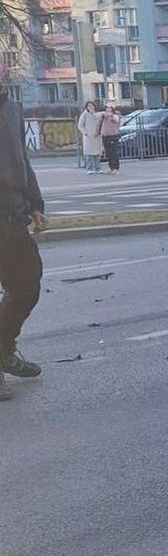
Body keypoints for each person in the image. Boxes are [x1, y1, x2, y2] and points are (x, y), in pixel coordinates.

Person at [0, 85, 46, 400]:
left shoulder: (12, 108)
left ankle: (3, 347)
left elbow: (23, 159)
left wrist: (36, 203)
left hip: (12, 215)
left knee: (28, 286)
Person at [77, 101, 102, 174]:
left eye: (92, 106)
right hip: (88, 137)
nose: (90, 107)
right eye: (89, 106)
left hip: (96, 136)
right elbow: (80, 125)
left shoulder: (97, 114)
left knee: (97, 153)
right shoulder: (84, 115)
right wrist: (84, 133)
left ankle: (98, 168)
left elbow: (100, 122)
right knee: (89, 153)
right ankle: (90, 168)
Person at [99, 105, 122, 175]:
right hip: (105, 136)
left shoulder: (114, 116)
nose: (108, 112)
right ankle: (111, 167)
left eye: (110, 110)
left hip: (113, 136)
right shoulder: (103, 117)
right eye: (106, 110)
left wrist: (111, 115)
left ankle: (116, 168)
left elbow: (116, 120)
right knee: (108, 153)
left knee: (114, 153)